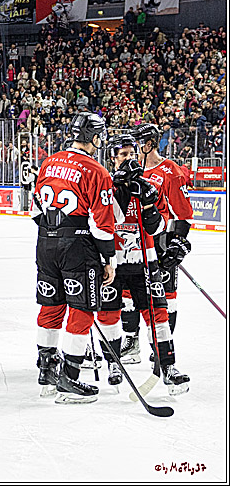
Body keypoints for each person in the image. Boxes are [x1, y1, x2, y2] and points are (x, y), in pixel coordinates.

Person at [28, 113, 116, 404]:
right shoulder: (97, 171)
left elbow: (35, 210)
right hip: (77, 246)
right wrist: (108, 259)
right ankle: (70, 377)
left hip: (45, 243)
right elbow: (102, 225)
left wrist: (54, 234)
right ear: (93, 137)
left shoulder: (49, 162)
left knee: (50, 306)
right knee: (82, 309)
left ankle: (46, 372)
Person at [100, 135, 189, 393]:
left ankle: (168, 366)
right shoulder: (106, 185)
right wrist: (120, 190)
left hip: (146, 263)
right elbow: (105, 221)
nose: (129, 158)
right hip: (115, 263)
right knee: (109, 314)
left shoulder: (148, 186)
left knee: (158, 314)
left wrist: (149, 203)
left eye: (132, 154)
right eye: (123, 154)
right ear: (113, 159)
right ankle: (114, 363)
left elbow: (158, 227)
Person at [120, 122, 193, 358]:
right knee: (128, 294)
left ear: (149, 144)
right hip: (132, 243)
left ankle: (164, 346)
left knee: (165, 296)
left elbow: (183, 213)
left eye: (138, 143)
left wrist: (177, 243)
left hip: (160, 242)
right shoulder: (130, 170)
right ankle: (131, 342)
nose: (133, 148)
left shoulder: (170, 171)